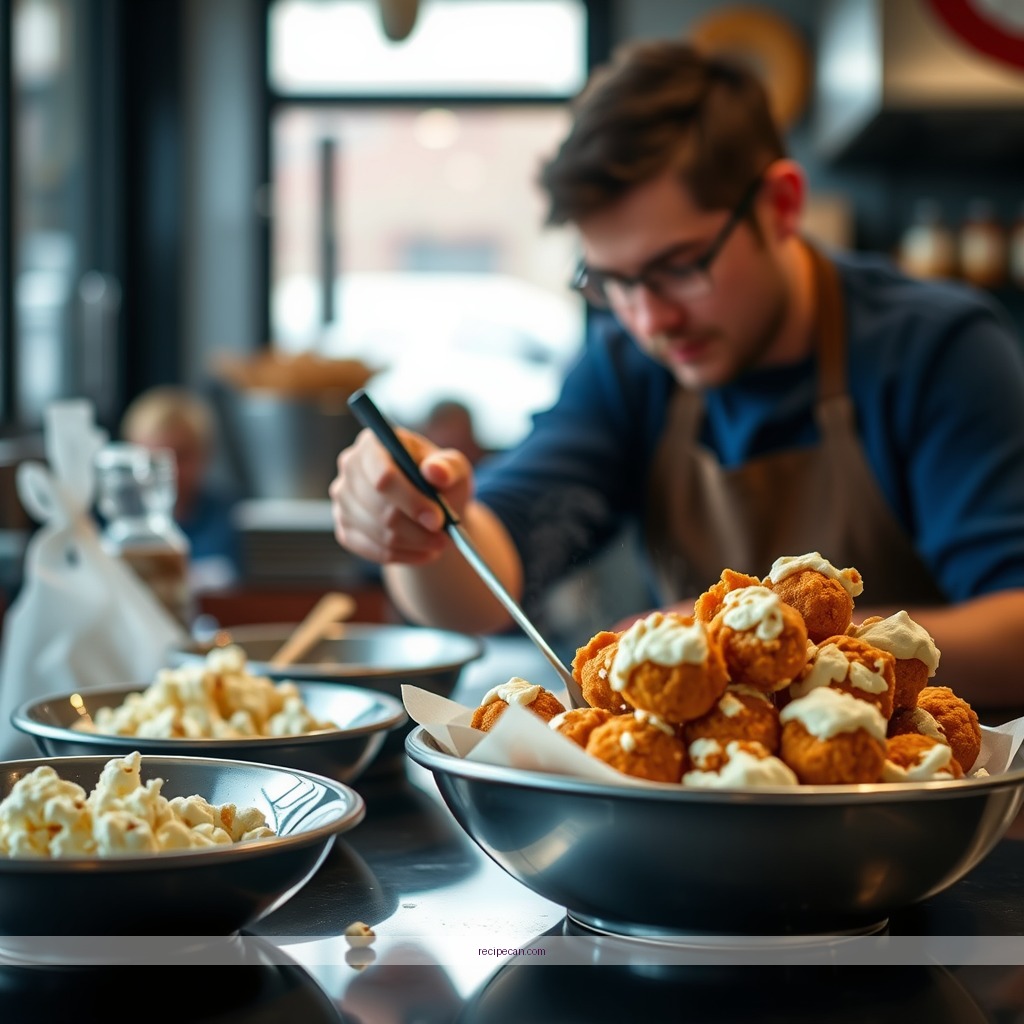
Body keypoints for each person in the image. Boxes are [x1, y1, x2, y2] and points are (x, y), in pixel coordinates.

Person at [329, 40, 1024, 708]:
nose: (649, 318)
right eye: (613, 282)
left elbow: (1016, 627)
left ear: (780, 206)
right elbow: (488, 583)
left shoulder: (932, 349)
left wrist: (738, 638)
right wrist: (418, 523)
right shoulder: (628, 367)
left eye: (679, 268)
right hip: (704, 815)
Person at [121, 385, 242, 590]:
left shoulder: (235, 521)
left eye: (181, 456)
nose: (170, 472)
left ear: (205, 454)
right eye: (154, 461)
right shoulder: (107, 528)